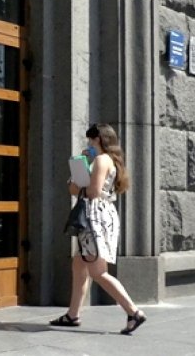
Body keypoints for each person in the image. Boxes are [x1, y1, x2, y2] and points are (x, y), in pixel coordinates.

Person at [50, 123, 147, 335]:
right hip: (102, 215)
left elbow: (92, 191)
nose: (89, 144)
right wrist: (82, 169)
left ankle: (133, 312)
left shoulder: (102, 160)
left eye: (91, 140)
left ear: (99, 140)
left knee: (98, 271)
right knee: (79, 264)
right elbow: (79, 189)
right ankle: (73, 314)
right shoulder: (108, 160)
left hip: (95, 217)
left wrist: (80, 175)